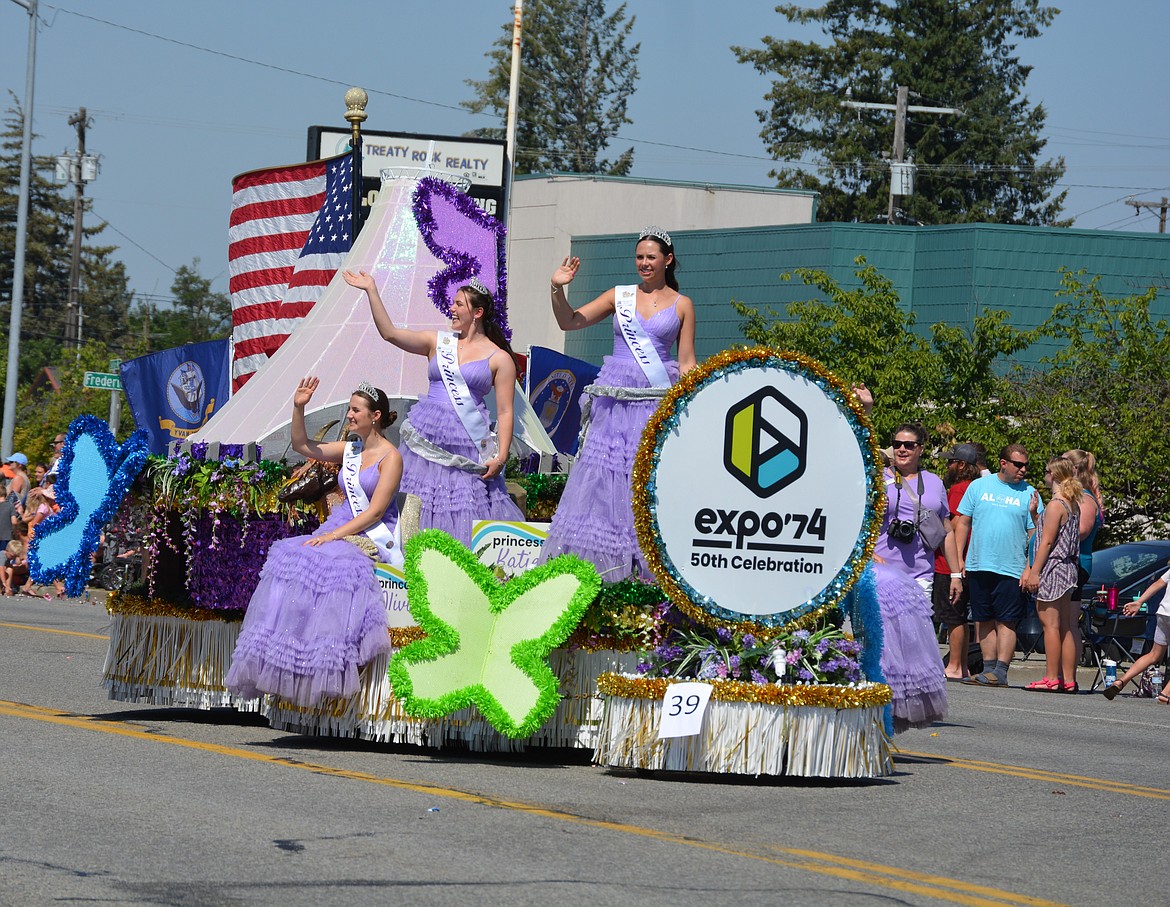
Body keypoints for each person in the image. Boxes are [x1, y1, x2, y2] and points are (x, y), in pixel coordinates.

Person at [226, 379, 403, 707]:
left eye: (355, 410)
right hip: (339, 527)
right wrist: (299, 406)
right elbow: (303, 446)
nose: (349, 415)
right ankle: (289, 658)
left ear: (375, 415)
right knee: (288, 554)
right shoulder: (351, 449)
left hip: (371, 531)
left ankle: (325, 660)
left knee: (329, 561)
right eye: (349, 409)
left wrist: (334, 536)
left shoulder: (390, 457)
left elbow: (377, 510)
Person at [536, 227, 697, 581]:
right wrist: (556, 287)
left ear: (667, 260)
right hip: (615, 401)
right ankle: (599, 573)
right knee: (602, 481)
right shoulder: (619, 296)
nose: (644, 263)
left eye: (651, 257)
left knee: (644, 480)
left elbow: (687, 363)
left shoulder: (682, 305)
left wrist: (697, 405)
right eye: (639, 257)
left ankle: (643, 574)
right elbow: (570, 321)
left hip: (654, 401)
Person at [345, 270, 523, 546]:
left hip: (465, 443)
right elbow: (389, 333)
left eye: (458, 304)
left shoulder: (500, 358)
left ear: (477, 313)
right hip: (425, 439)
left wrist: (500, 456)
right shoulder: (437, 342)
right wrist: (371, 290)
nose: (451, 308)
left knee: (455, 507)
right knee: (417, 501)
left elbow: (505, 412)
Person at [871, 423, 955, 727]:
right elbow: (858, 519)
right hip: (882, 573)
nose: (902, 449)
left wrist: (957, 573)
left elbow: (946, 530)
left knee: (910, 648)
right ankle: (877, 708)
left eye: (909, 444)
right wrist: (868, 552)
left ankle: (897, 713)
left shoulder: (933, 483)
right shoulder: (878, 478)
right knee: (883, 648)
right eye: (897, 444)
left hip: (920, 573)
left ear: (921, 448)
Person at [955, 444, 1040, 687]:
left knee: (1006, 620)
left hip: (1011, 567)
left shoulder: (1029, 493)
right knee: (983, 619)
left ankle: (1001, 671)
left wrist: (1029, 567)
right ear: (1003, 463)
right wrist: (960, 558)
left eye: (1026, 465)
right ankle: (988, 669)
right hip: (979, 563)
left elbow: (1036, 533)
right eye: (1018, 465)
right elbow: (963, 523)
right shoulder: (979, 486)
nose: (1023, 470)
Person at [1020, 457, 1082, 692]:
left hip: (1053, 569)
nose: (1044, 476)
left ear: (1054, 475)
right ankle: (1068, 678)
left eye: (1046, 472)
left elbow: (1046, 542)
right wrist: (1036, 515)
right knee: (1065, 625)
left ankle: (1051, 677)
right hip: (1068, 568)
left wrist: (1034, 572)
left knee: (1051, 625)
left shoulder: (1057, 504)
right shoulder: (1072, 503)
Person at [932, 443, 981, 679]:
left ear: (961, 465)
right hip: (966, 561)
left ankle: (955, 665)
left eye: (951, 461)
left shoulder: (960, 490)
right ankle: (961, 664)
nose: (948, 465)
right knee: (958, 615)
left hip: (949, 562)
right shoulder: (976, 488)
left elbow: (951, 525)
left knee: (953, 617)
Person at [1103, 571, 1170, 702]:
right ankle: (1166, 693)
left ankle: (1121, 681)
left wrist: (1139, 602)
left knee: (1154, 655)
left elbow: (1158, 584)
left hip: (1163, 613)